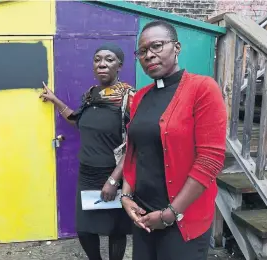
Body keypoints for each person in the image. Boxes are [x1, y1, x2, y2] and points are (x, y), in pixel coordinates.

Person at [119, 20, 227, 260]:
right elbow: (134, 152)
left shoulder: (203, 89)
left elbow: (210, 160)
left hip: (182, 221)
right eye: (142, 51)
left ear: (176, 47)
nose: (149, 55)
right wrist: (126, 196)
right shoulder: (141, 97)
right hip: (144, 216)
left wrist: (170, 214)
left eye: (157, 46)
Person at [40, 43, 135, 260]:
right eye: (97, 59)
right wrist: (55, 100)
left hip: (115, 173)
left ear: (119, 65)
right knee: (84, 230)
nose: (102, 64)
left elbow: (135, 144)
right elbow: (77, 120)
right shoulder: (91, 94)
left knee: (116, 229)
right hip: (88, 173)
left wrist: (113, 180)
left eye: (109, 59)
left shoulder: (128, 97)